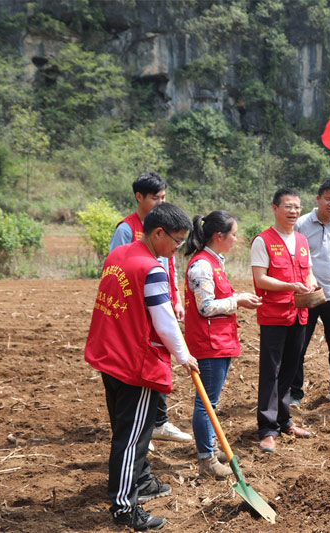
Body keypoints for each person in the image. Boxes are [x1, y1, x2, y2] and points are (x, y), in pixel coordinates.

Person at [85, 203, 199, 531]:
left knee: (129, 429)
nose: (178, 248)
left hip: (109, 355)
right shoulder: (150, 269)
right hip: (133, 363)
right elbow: (163, 321)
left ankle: (143, 480)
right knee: (132, 438)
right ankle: (124, 507)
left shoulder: (118, 255)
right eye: (176, 241)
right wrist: (183, 354)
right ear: (158, 233)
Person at [109, 172, 192, 444]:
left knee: (159, 358)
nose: (160, 202)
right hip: (138, 311)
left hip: (160, 301)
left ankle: (159, 422)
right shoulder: (126, 229)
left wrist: (175, 299)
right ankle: (137, 432)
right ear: (139, 197)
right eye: (155, 198)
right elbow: (118, 272)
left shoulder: (168, 229)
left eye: (163, 197)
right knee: (141, 365)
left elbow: (170, 268)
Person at [184, 211, 262, 478]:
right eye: (234, 234)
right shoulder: (201, 265)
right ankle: (206, 459)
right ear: (219, 236)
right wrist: (237, 300)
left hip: (219, 340)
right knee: (206, 403)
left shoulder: (214, 262)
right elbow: (205, 307)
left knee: (210, 402)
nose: (236, 239)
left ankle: (211, 448)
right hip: (209, 344)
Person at [251, 188, 317, 452]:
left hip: (299, 314)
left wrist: (311, 284)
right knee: (271, 371)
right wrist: (291, 285)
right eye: (288, 206)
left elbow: (309, 272)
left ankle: (284, 419)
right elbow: (260, 279)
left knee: (290, 369)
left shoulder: (301, 240)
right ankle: (267, 428)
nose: (293, 211)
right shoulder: (263, 241)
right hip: (274, 315)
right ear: (275, 208)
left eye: (297, 207)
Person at [291, 180, 330, 408]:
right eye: (328, 199)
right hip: (307, 296)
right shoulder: (301, 224)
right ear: (317, 199)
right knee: (299, 344)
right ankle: (295, 393)